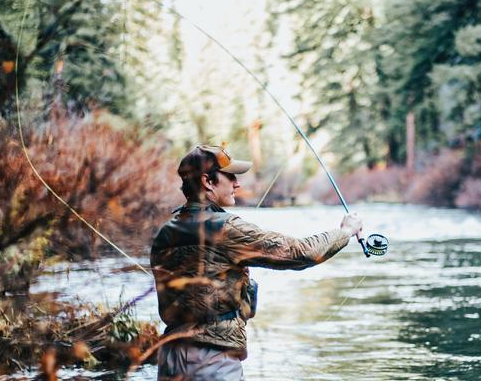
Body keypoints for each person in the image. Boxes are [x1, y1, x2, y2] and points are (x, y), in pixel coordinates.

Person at [151, 144, 362, 380]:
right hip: (211, 361)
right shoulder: (225, 228)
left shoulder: (165, 233)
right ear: (207, 182)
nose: (236, 183)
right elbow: (301, 253)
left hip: (169, 358)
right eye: (229, 176)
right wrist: (345, 232)